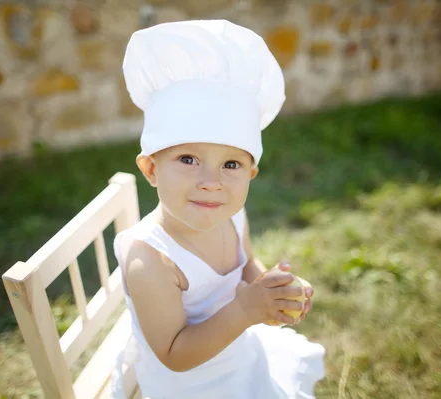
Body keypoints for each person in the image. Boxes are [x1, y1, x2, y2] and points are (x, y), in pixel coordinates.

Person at [111, 20, 326, 399]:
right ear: (151, 169)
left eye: (231, 165)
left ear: (251, 173)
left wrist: (270, 291)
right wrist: (245, 312)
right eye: (188, 158)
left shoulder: (231, 215)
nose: (212, 181)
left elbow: (246, 266)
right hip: (191, 386)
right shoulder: (150, 259)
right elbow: (173, 354)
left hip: (237, 357)